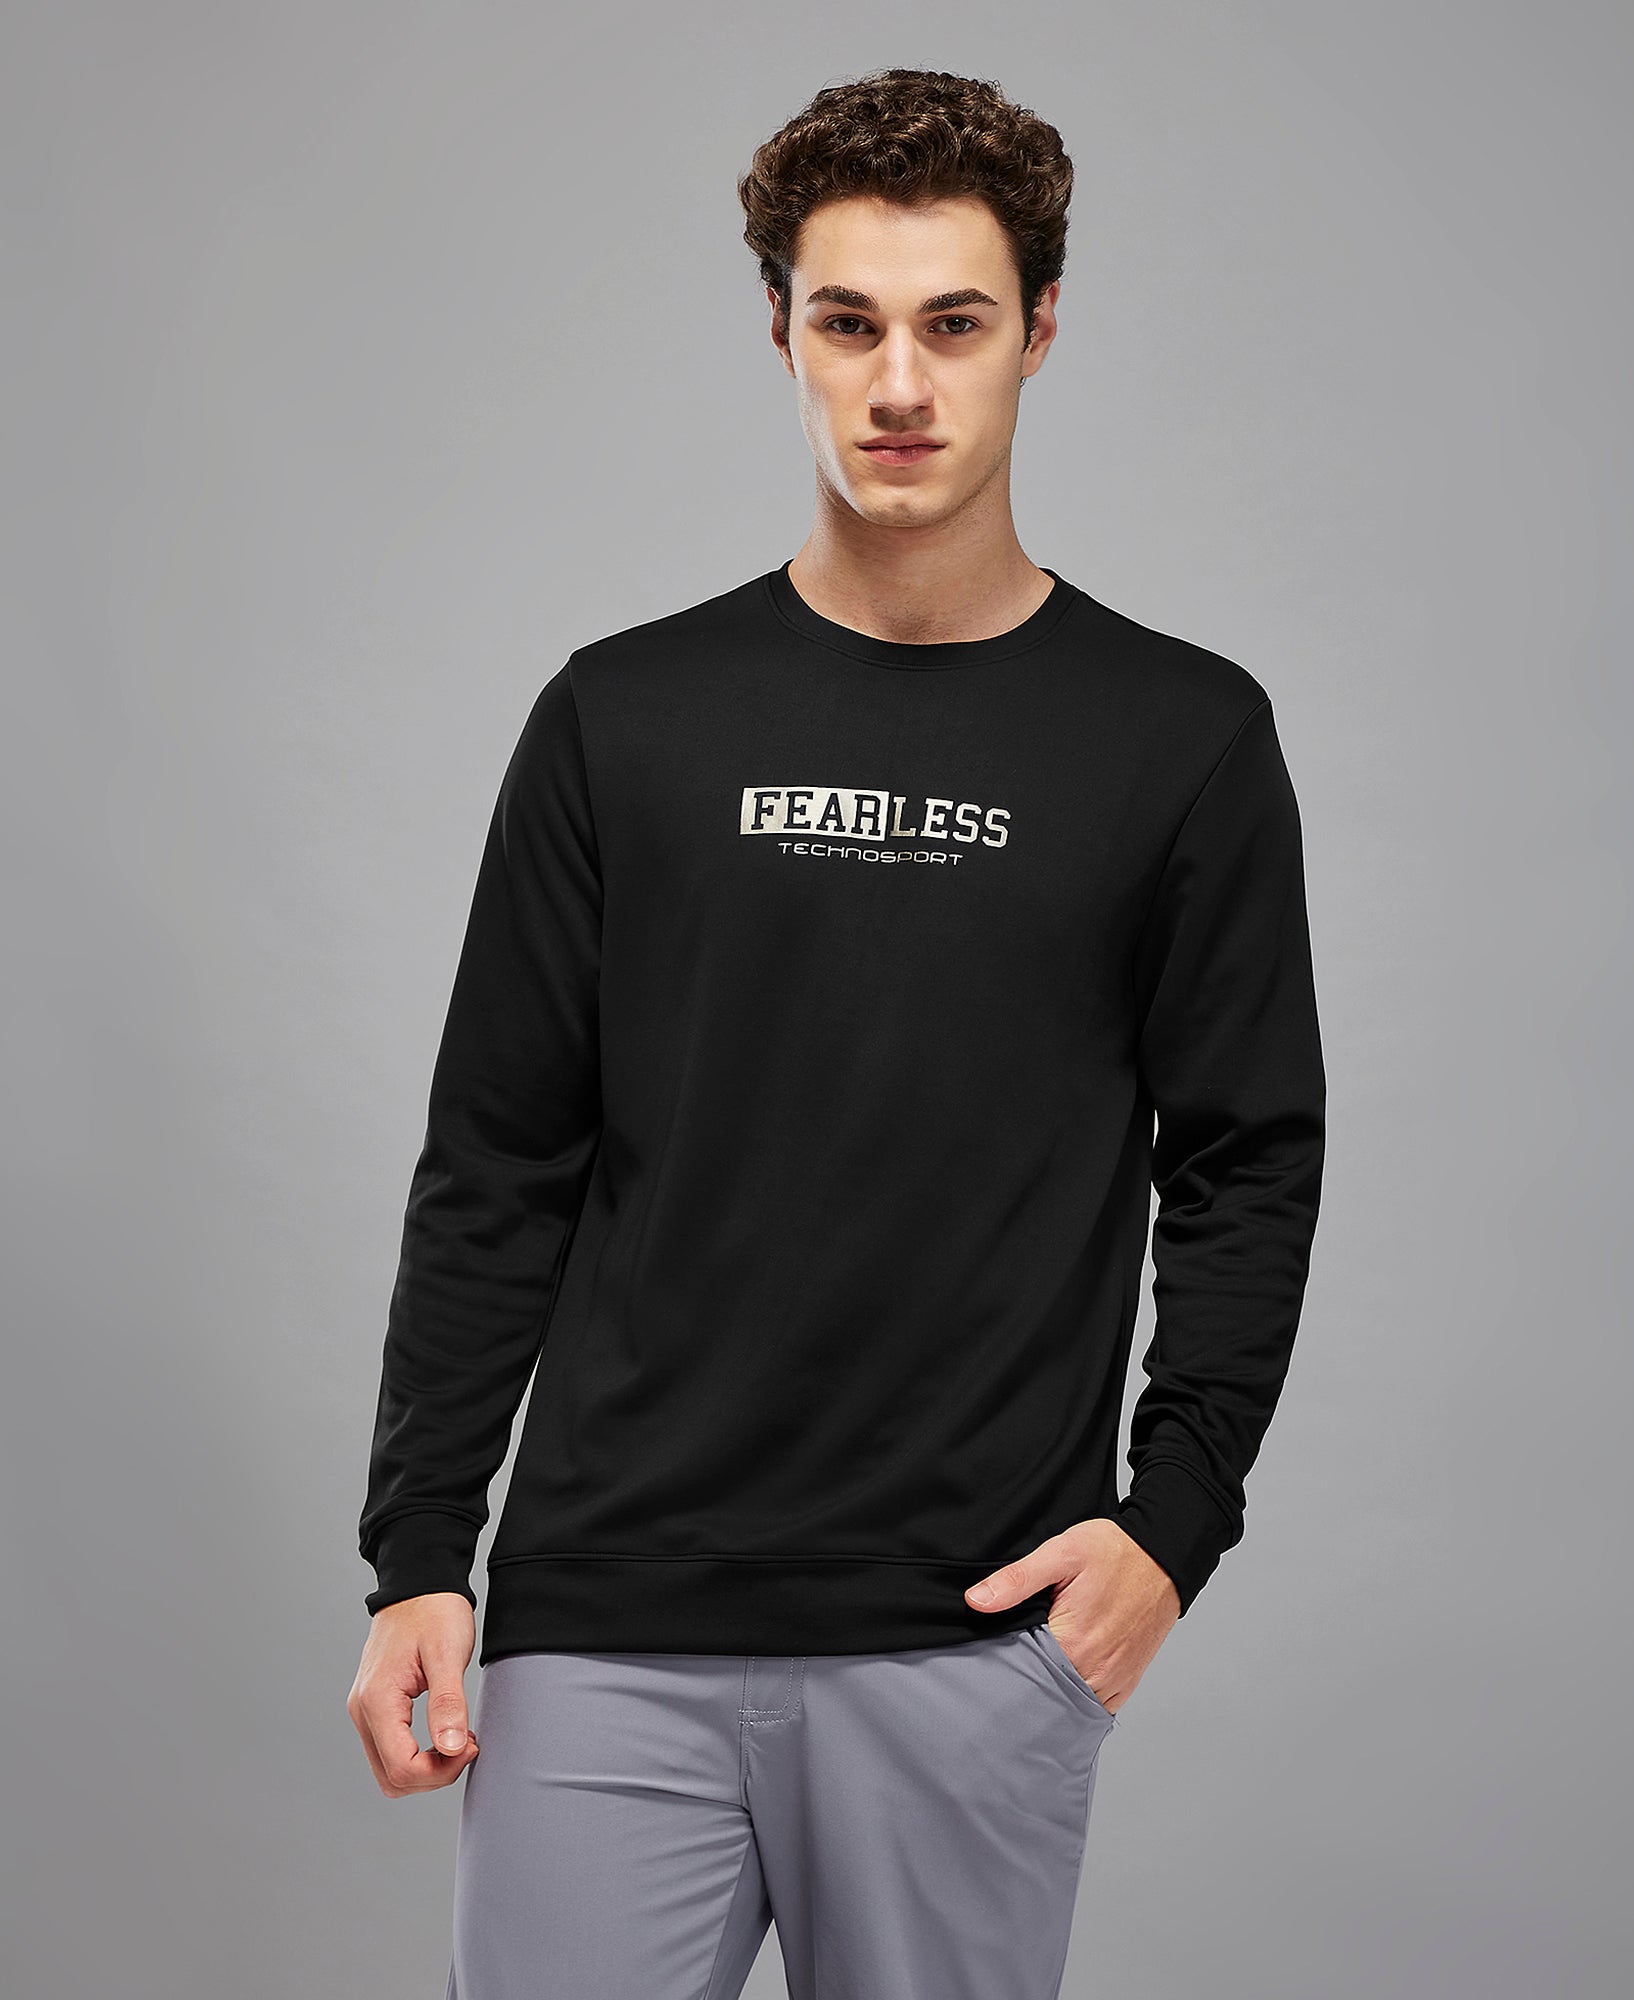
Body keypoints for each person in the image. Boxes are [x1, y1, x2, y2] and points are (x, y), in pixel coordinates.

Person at [347, 66, 1326, 2000]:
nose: (898, 385)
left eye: (952, 324)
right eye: (846, 323)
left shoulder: (1180, 738)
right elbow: (498, 1161)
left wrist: (1170, 1527)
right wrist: (418, 1554)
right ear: (780, 334)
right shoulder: (621, 717)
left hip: (970, 1639)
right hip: (606, 1623)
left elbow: (1247, 1162)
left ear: (1038, 332)